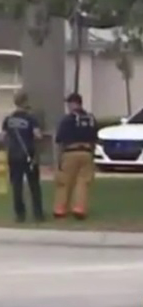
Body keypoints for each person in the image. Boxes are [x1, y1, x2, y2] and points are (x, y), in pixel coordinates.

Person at [1, 91, 44, 223]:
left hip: (13, 155)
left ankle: (20, 214)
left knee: (17, 185)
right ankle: (38, 214)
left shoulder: (8, 120)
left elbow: (2, 137)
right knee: (34, 185)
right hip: (28, 155)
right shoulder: (31, 119)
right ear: (26, 102)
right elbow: (38, 135)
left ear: (15, 102)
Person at [53, 92, 98, 220]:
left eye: (69, 103)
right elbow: (94, 139)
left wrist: (58, 159)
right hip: (87, 152)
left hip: (70, 152)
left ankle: (60, 209)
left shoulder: (67, 120)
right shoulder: (90, 119)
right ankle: (79, 208)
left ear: (74, 103)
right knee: (83, 182)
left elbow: (60, 141)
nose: (67, 106)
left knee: (64, 181)